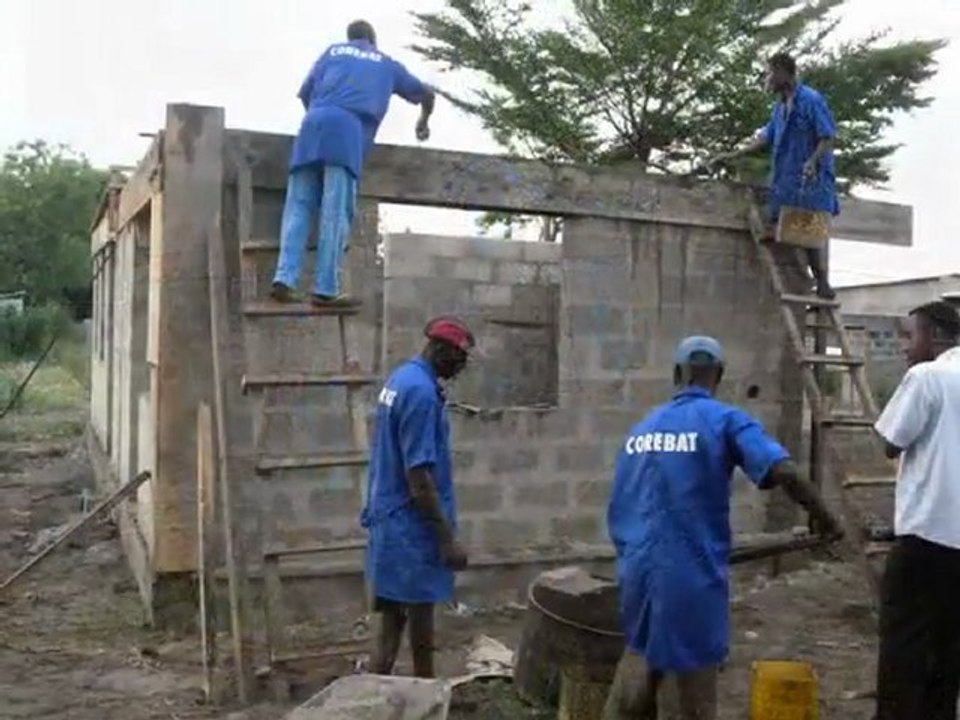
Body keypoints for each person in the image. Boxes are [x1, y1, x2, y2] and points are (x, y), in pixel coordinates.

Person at [603, 335, 842, 720]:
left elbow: (619, 504)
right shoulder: (725, 419)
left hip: (636, 572)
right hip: (690, 576)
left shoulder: (640, 430)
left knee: (640, 658)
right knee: (691, 683)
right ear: (719, 376)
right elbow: (784, 470)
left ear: (677, 374)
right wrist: (827, 520)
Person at [271, 20, 436, 305]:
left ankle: (284, 278)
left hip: (311, 126)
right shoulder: (386, 62)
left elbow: (306, 92)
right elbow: (427, 94)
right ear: (373, 40)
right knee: (335, 212)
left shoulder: (331, 52)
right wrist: (423, 121)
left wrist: (322, 117)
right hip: (347, 130)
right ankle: (325, 288)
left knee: (298, 207)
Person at [361, 317, 475, 678]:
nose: (460, 368)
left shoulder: (401, 378)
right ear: (440, 350)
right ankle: (395, 692)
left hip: (392, 518)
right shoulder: (421, 394)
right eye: (459, 358)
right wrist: (447, 540)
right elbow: (419, 476)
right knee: (397, 626)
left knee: (408, 615)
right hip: (410, 527)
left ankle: (420, 689)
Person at [873, 301, 960, 720]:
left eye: (910, 336)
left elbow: (890, 441)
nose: (904, 347)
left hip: (926, 539)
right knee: (949, 652)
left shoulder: (928, 376)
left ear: (937, 336)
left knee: (903, 649)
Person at [712, 52, 839, 299]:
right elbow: (765, 139)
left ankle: (822, 283)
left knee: (809, 226)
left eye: (770, 73)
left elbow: (827, 136)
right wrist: (732, 155)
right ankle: (808, 272)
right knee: (788, 219)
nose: (767, 78)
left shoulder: (811, 100)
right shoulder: (780, 108)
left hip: (810, 177)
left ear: (783, 72)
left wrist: (812, 161)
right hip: (787, 178)